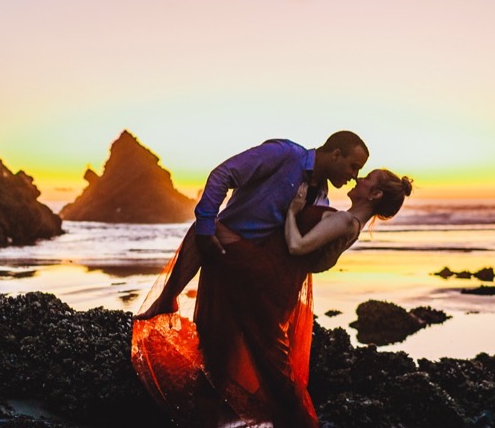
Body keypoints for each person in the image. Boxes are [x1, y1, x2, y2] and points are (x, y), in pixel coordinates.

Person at [132, 165, 413, 428]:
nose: (358, 178)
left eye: (366, 178)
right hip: (275, 280)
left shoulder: (346, 220)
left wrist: (293, 211)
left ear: (375, 194)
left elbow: (297, 246)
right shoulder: (344, 220)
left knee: (205, 229)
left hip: (267, 274)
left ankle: (167, 299)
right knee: (256, 361)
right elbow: (317, 262)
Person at [136, 131, 369, 320]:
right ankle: (168, 298)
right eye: (354, 166)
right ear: (336, 154)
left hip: (266, 268)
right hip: (230, 248)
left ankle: (168, 298)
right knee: (204, 227)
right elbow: (222, 174)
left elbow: (309, 251)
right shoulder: (284, 154)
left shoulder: (322, 196)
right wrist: (206, 228)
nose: (355, 176)